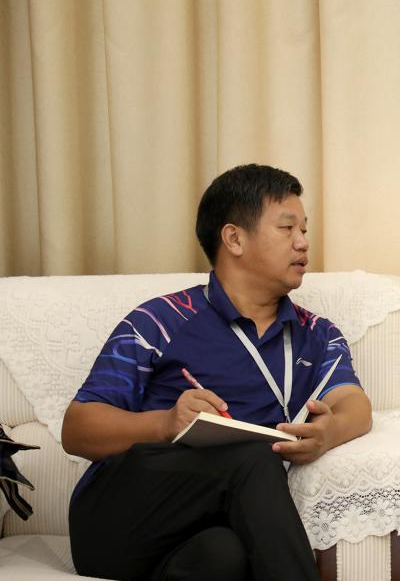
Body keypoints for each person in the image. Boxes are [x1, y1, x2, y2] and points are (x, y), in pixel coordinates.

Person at [62, 163, 372, 581]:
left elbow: (353, 403)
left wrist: (329, 433)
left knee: (224, 556)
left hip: (204, 531)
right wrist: (166, 423)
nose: (303, 242)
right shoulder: (160, 320)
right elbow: (77, 429)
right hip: (116, 524)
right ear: (234, 238)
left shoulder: (317, 334)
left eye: (304, 229)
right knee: (255, 458)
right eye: (287, 228)